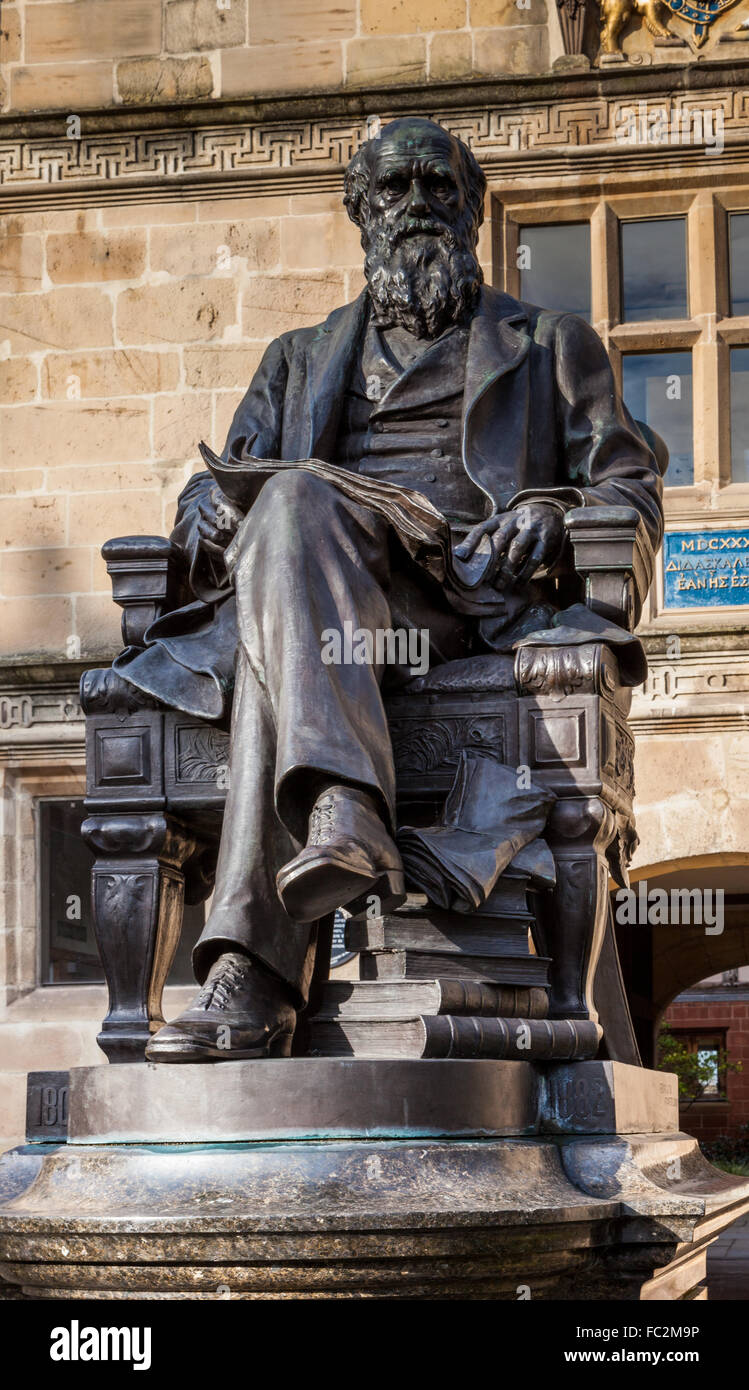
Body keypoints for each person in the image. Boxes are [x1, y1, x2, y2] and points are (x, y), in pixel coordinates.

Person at [111, 117, 662, 1061]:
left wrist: (555, 515)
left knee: (285, 544)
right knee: (284, 506)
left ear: (473, 213)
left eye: (437, 189)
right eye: (393, 191)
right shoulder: (297, 356)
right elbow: (221, 482)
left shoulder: (547, 344)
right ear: (361, 213)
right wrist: (200, 515)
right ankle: (343, 814)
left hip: (466, 605)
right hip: (321, 607)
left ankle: (250, 973)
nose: (415, 208)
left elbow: (627, 485)